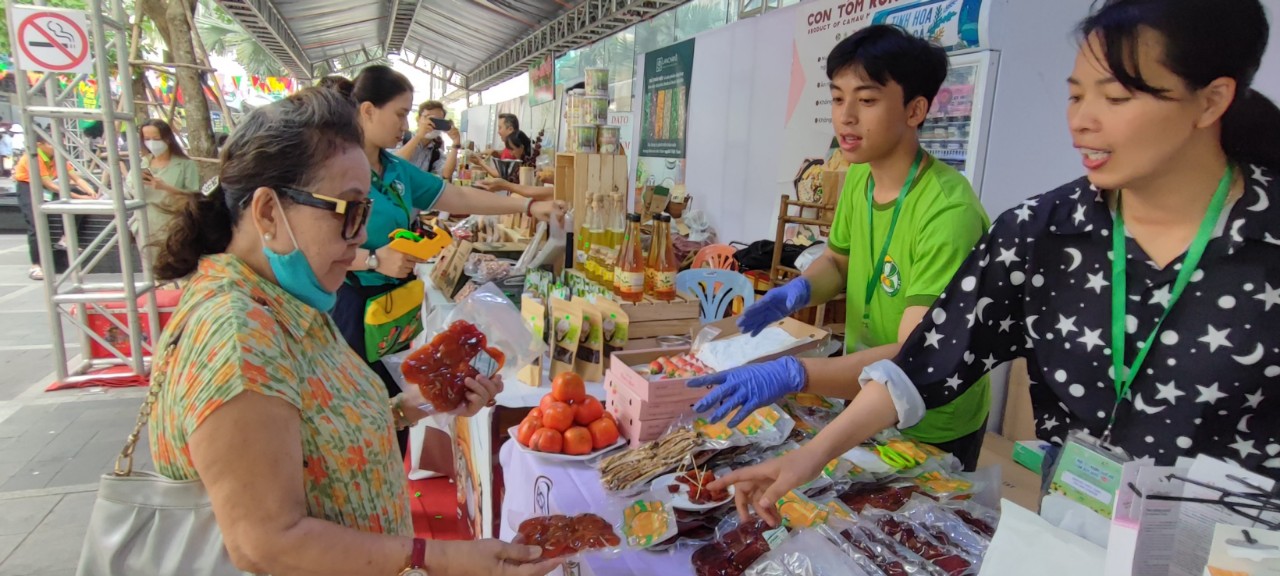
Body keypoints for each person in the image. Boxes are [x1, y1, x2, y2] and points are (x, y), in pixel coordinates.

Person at [712, 0, 1280, 526]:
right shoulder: (1042, 233)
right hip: (1079, 522)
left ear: (1212, 99)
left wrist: (795, 374)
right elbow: (929, 356)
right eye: (1076, 95)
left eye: (1116, 97)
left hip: (1235, 546)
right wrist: (806, 457)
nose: (1081, 120)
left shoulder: (1265, 243)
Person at [147, 87, 562, 576]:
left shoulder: (286, 302)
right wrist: (443, 559)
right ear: (266, 213)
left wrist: (426, 403)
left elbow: (321, 438)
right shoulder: (239, 336)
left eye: (365, 211)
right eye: (348, 210)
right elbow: (268, 545)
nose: (363, 236)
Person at [690, 25, 993, 471]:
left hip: (929, 414)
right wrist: (798, 291)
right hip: (862, 392)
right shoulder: (859, 179)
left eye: (866, 100)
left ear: (915, 109)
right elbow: (838, 261)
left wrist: (797, 374)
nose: (846, 116)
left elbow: (917, 352)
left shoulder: (948, 213)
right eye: (836, 97)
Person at [325, 66, 567, 456]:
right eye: (401, 113)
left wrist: (527, 204)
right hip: (352, 308)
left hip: (395, 309)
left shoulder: (395, 168)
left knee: (398, 402)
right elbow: (309, 245)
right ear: (367, 110)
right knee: (359, 412)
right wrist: (371, 259)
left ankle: (390, 487)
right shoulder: (335, 169)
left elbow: (455, 197)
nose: (407, 124)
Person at [13, 136, 98, 281]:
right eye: (51, 144)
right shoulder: (33, 157)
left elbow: (76, 178)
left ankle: (65, 238)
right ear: (39, 144)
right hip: (28, 187)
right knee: (36, 224)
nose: (56, 146)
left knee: (80, 202)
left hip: (47, 187)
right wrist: (79, 197)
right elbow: (50, 185)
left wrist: (90, 192)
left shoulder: (57, 156)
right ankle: (36, 266)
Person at [132, 119, 200, 250]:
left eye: (156, 138)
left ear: (167, 139)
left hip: (172, 224)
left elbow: (194, 195)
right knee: (148, 266)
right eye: (147, 139)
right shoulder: (142, 163)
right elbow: (129, 190)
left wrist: (166, 187)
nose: (151, 143)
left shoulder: (185, 164)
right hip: (145, 223)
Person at [398, 100, 462, 179]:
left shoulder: (436, 148)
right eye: (429, 118)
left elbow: (446, 175)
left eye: (438, 121)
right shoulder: (402, 137)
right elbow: (393, 163)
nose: (432, 124)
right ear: (418, 119)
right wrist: (419, 136)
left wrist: (456, 143)